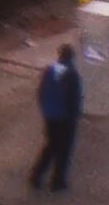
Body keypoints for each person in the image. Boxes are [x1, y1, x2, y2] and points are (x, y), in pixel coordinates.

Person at [30, 42, 83, 190]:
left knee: (51, 147)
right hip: (65, 119)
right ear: (71, 57)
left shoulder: (50, 70)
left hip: (50, 117)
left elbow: (40, 92)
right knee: (64, 151)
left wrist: (46, 111)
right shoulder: (72, 74)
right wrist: (74, 117)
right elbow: (74, 99)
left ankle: (36, 175)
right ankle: (58, 181)